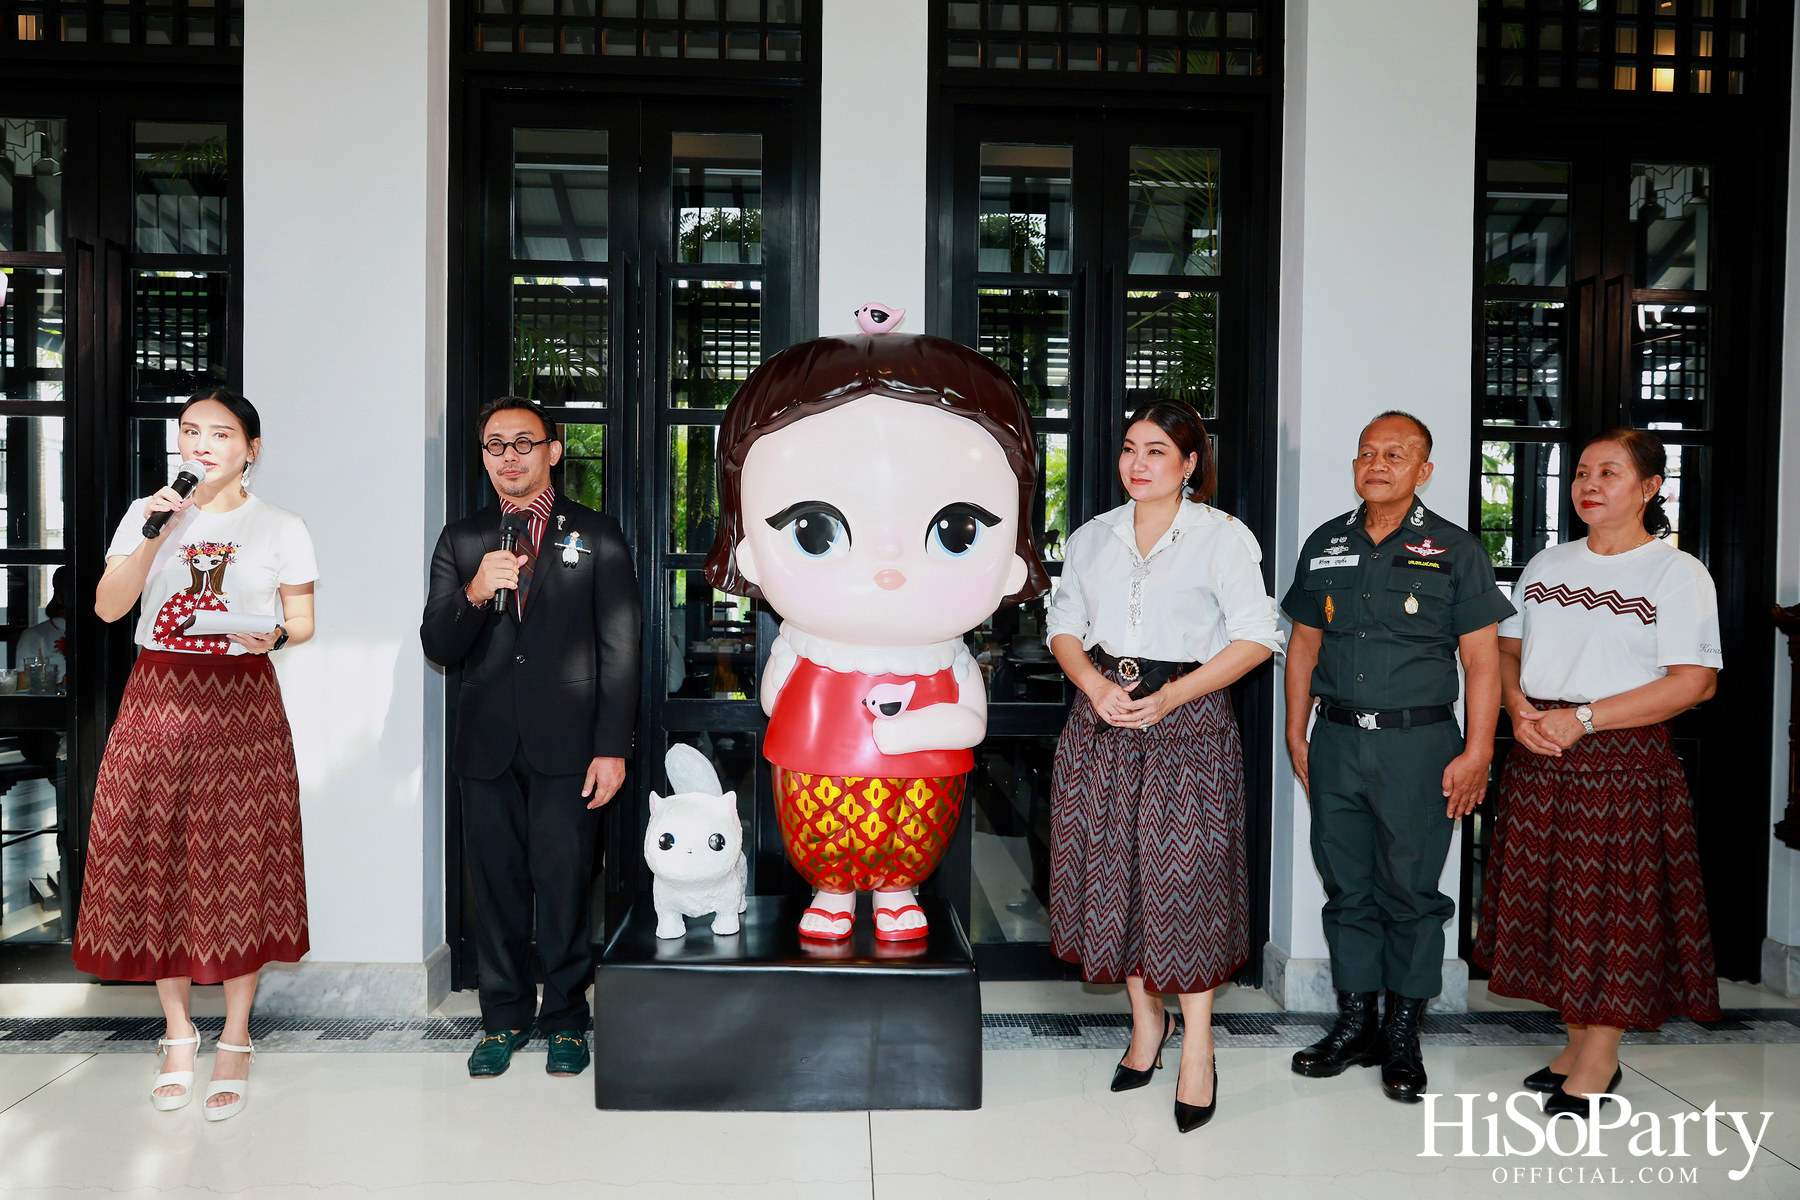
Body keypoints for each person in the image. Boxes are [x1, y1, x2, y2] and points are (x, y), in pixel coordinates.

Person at [703, 328, 1048, 942]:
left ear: (1013, 560)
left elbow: (970, 721)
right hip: (816, 776)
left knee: (913, 837)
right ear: (748, 549)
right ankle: (831, 892)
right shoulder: (802, 648)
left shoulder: (947, 659)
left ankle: (898, 890)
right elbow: (772, 701)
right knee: (820, 836)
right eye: (813, 530)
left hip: (921, 784)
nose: (887, 571)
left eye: (958, 531)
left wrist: (906, 730)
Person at [74, 389, 317, 1121]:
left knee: (236, 860)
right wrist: (155, 530)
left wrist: (273, 636)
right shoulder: (149, 513)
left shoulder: (281, 526)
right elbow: (110, 608)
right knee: (157, 857)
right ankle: (178, 1032)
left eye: (220, 433)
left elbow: (301, 622)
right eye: (190, 432)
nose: (202, 444)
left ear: (252, 447)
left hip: (241, 701)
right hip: (157, 695)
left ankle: (236, 1037)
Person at [1046, 400, 1282, 1134]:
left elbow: (1255, 638)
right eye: (1129, 449)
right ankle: (1146, 1027)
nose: (1138, 462)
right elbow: (1062, 625)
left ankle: (1200, 1048)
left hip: (1188, 722)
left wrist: (1171, 695)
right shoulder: (1093, 538)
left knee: (1186, 883)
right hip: (1103, 719)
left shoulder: (1222, 539)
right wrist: (1094, 687)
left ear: (1189, 464)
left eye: (1156, 450)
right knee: (1114, 876)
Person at [1478, 429, 1721, 1118]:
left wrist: (1581, 718)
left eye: (1609, 472)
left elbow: (1694, 684)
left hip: (1621, 760)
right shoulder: (1547, 563)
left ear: (1650, 488)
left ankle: (1601, 1056)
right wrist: (1520, 708)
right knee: (1554, 904)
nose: (1590, 483)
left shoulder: (1675, 573)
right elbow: (1506, 650)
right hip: (1541, 752)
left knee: (1613, 911)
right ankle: (1575, 1038)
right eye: (1583, 471)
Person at [1281, 411, 1513, 1104]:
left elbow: (1482, 662)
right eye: (1366, 454)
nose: (1376, 464)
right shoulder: (1327, 542)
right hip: (1338, 740)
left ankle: (1404, 1034)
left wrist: (1478, 751)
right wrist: (1297, 733)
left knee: (1411, 894)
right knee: (1347, 886)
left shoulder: (1455, 549)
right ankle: (1355, 1024)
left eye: (1395, 453)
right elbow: (1303, 647)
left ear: (1423, 470)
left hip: (1420, 747)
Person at [421, 396, 640, 1080]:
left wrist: (613, 747)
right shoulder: (462, 540)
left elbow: (621, 650)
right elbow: (439, 643)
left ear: (553, 449)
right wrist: (477, 591)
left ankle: (569, 1018)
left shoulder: (597, 535)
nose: (508, 456)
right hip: (486, 748)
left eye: (523, 442)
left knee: (568, 882)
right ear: (483, 457)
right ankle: (504, 1017)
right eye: (495, 445)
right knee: (497, 889)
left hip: (571, 748)